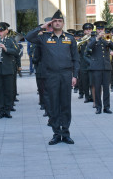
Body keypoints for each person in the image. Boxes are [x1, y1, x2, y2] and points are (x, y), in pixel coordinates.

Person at [26, 10, 79, 145]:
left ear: (63, 23)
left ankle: (65, 133)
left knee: (65, 105)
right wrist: (43, 26)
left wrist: (75, 75)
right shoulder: (44, 37)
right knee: (53, 104)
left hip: (66, 75)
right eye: (54, 21)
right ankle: (56, 133)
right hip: (51, 75)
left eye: (59, 21)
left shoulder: (70, 38)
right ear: (51, 23)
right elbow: (28, 36)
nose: (57, 23)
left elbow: (76, 59)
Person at [85, 21, 113, 114]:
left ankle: (106, 107)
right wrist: (97, 38)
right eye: (98, 29)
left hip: (106, 66)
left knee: (106, 88)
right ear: (96, 30)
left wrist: (108, 40)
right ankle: (98, 107)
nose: (100, 30)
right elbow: (88, 48)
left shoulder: (106, 38)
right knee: (98, 88)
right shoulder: (92, 39)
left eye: (102, 29)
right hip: (96, 67)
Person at [78, 23, 94, 103]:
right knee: (85, 81)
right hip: (83, 63)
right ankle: (87, 96)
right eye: (87, 30)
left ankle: (93, 96)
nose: (88, 31)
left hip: (92, 62)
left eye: (90, 29)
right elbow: (77, 51)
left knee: (92, 80)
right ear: (84, 31)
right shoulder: (81, 40)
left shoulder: (94, 39)